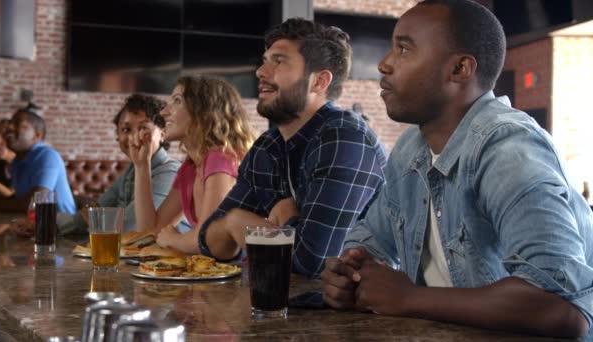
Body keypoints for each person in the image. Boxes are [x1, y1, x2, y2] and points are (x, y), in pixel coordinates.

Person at [321, 0, 592, 338]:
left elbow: (564, 310)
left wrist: (410, 298)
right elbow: (369, 243)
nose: (384, 64)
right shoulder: (410, 149)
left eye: (404, 49)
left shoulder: (507, 149)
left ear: (460, 69)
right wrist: (348, 274)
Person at [197, 18, 387, 278]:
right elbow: (210, 243)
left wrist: (250, 223)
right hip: (288, 307)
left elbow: (313, 264)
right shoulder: (268, 146)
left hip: (363, 314)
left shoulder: (345, 139)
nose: (261, 72)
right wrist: (235, 223)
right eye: (265, 60)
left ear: (319, 82)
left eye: (279, 61)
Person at [129, 75, 255, 252]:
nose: (164, 112)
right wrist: (142, 165)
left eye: (177, 101)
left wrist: (173, 239)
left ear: (204, 111)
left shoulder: (220, 158)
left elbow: (207, 240)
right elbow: (150, 232)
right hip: (210, 273)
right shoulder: (190, 167)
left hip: (242, 274)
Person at [58, 94, 188, 235]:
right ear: (117, 137)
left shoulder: (170, 173)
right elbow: (95, 210)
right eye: (126, 130)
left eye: (143, 128)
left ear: (163, 134)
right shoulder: (131, 170)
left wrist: (94, 218)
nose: (134, 137)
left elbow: (130, 228)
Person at [1, 108, 76, 214]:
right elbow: (20, 198)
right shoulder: (16, 162)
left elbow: (37, 203)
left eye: (18, 123)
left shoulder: (47, 155)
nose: (9, 127)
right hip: (35, 226)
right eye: (10, 123)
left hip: (65, 227)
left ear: (36, 135)